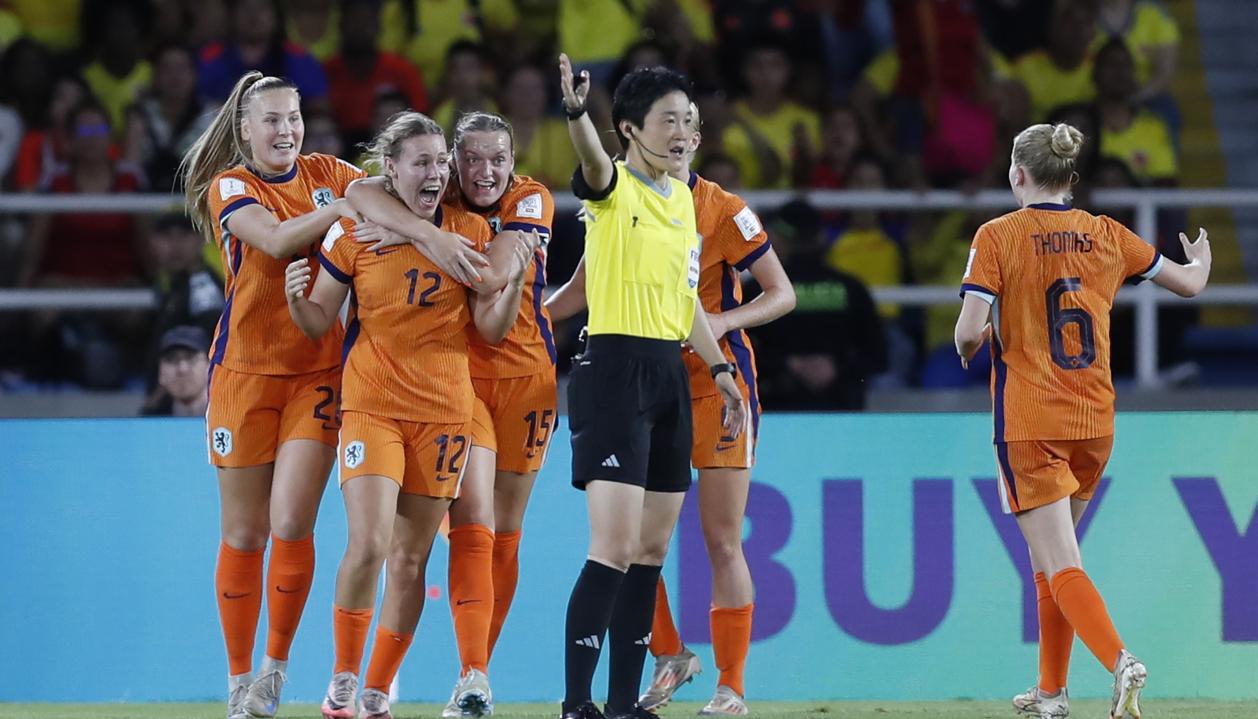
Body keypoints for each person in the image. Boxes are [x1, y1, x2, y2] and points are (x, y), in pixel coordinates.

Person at [954, 122, 1212, 719]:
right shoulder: (1105, 233)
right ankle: (1050, 692)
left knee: (1061, 562)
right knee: (1052, 558)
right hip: (1094, 420)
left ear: (1017, 174)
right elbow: (1190, 284)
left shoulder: (997, 236)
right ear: (1070, 179)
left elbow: (970, 329)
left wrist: (971, 347)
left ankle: (1122, 662)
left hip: (1030, 421)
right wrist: (1199, 258)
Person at [282, 110, 535, 719]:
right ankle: (341, 677)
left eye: (439, 162)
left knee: (413, 558)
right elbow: (320, 319)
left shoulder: (472, 230)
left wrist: (516, 287)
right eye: (420, 162)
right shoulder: (356, 234)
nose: (434, 172)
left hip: (445, 412)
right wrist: (297, 301)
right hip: (373, 405)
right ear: (390, 169)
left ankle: (375, 689)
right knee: (368, 543)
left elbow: (490, 330)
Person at [546, 102, 797, 715]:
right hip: (634, 368)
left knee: (719, 538)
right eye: (671, 122)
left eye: (691, 123)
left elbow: (782, 293)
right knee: (627, 541)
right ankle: (657, 661)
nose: (683, 134)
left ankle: (730, 686)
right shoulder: (626, 194)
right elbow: (585, 281)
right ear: (634, 130)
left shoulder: (720, 208)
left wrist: (720, 329)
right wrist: (532, 324)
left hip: (710, 381)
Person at [345, 110, 561, 718]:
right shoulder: (440, 206)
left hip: (521, 377)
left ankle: (473, 674)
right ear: (454, 163)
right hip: (456, 382)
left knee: (503, 533)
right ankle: (451, 677)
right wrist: (427, 232)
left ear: (514, 162)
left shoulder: (530, 200)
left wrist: (417, 235)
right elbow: (357, 190)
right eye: (471, 158)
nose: (485, 170)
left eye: (498, 158)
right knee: (469, 522)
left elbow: (493, 274)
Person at [180, 70, 367, 719]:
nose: (286, 129)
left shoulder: (331, 172)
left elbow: (382, 193)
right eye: (272, 120)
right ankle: (236, 682)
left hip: (316, 371)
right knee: (244, 530)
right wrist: (341, 210)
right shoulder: (232, 186)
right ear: (244, 129)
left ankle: (273, 672)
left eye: (293, 117)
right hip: (243, 374)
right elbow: (278, 238)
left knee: (292, 521)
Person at [143, 325, 212, 417]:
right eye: (172, 359)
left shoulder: (231, 414)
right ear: (160, 373)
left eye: (191, 358)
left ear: (209, 366)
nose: (182, 369)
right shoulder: (149, 419)